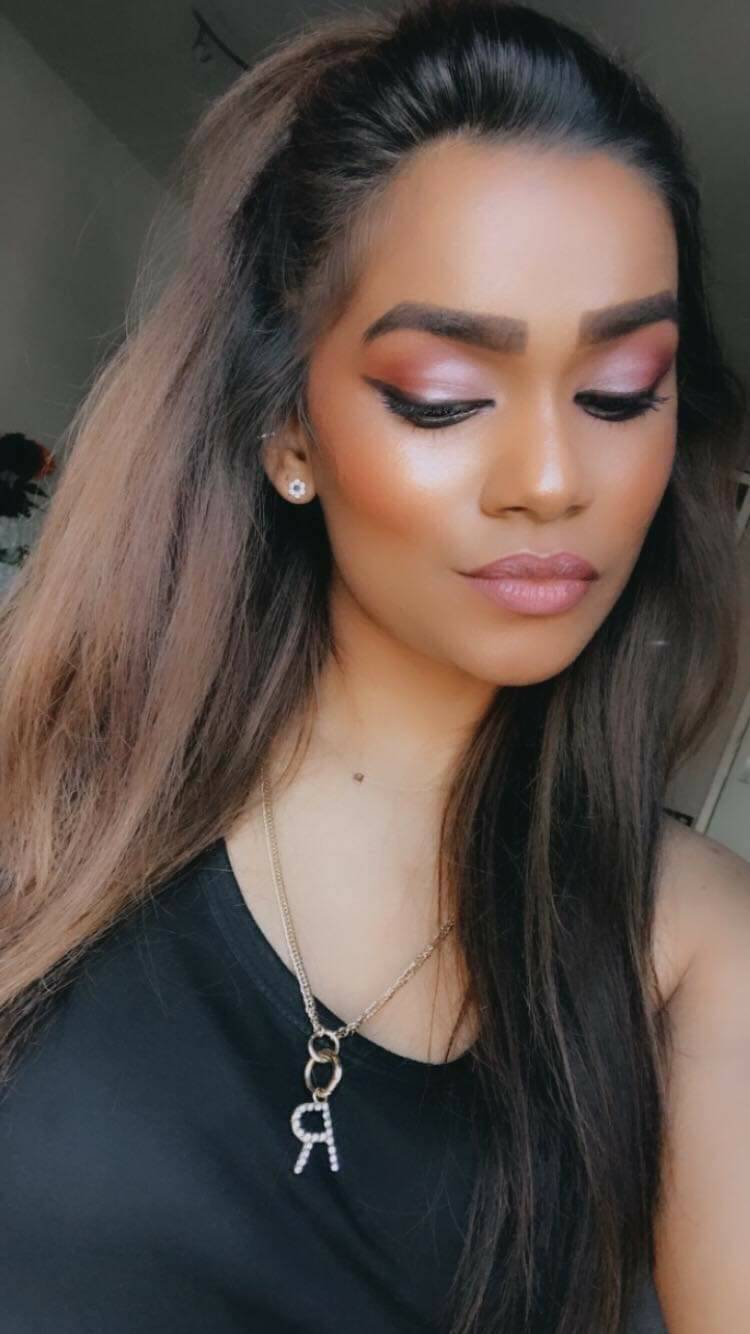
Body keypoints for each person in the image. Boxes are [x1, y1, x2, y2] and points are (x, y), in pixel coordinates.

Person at [0, 0, 748, 1329]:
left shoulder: (691, 943)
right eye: (444, 396)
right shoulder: (53, 784)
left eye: (620, 391)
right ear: (290, 426)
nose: (551, 478)